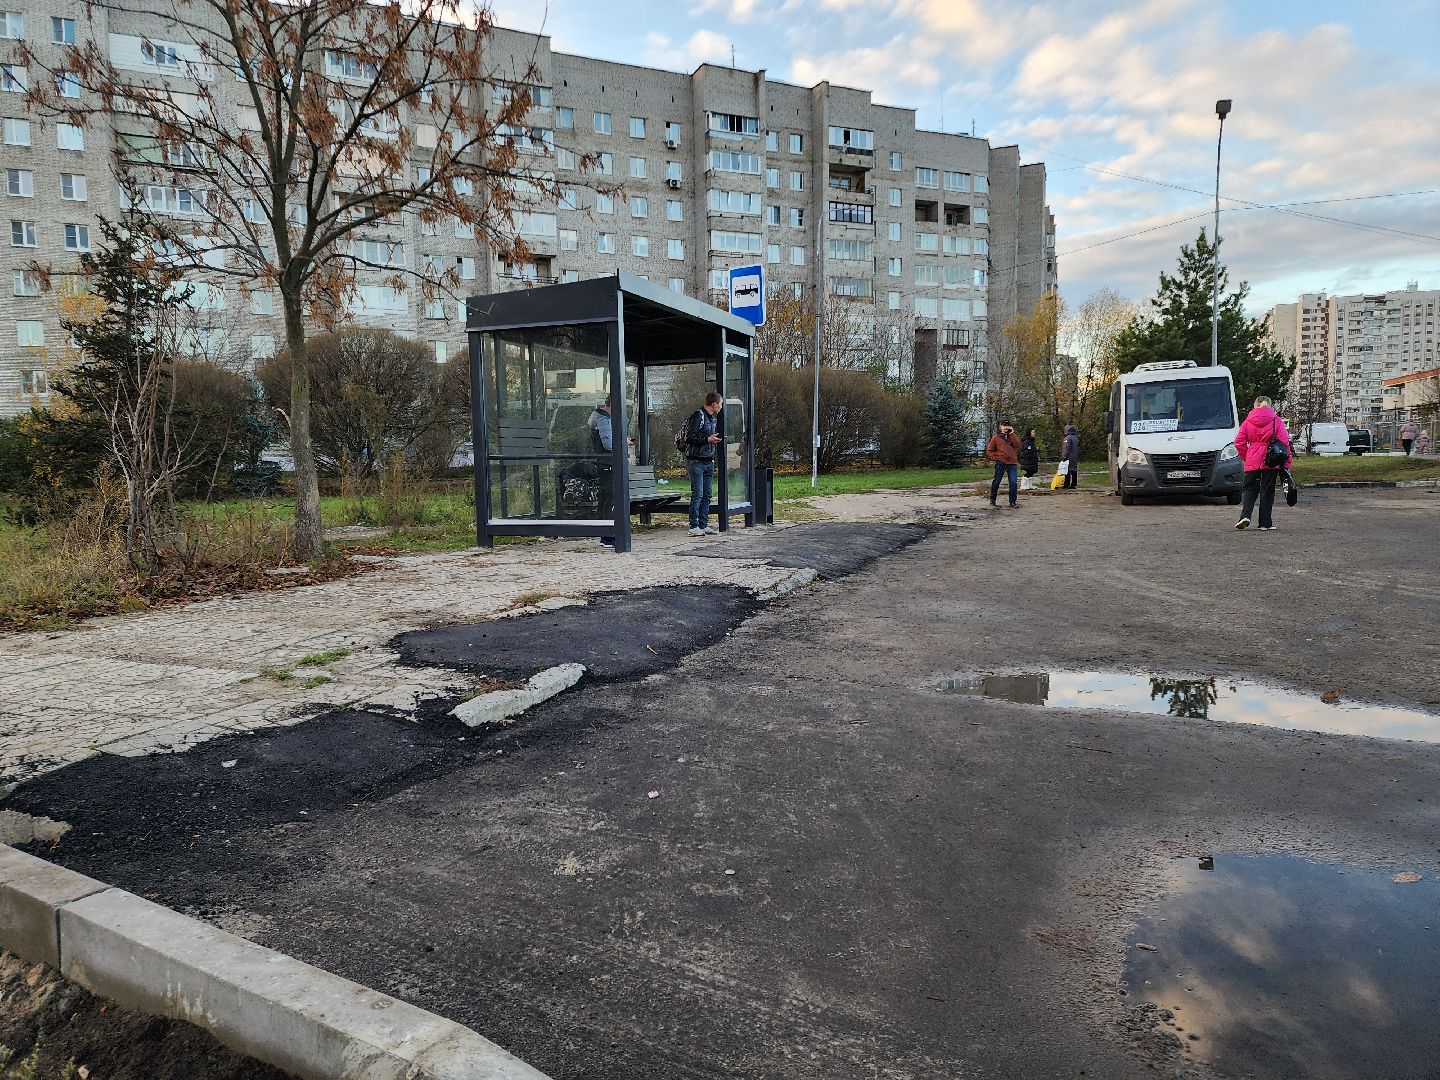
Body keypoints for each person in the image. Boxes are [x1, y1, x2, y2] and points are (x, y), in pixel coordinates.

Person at [1232, 395, 1292, 532]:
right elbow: (1284, 443)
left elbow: (1239, 442)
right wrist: (1287, 463)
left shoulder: (1248, 421)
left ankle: (1245, 516)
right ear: (1270, 406)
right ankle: (1265, 523)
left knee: (1249, 489)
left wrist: (1247, 456)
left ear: (1255, 405)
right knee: (1267, 491)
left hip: (1252, 459)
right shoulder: (1276, 421)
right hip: (1271, 460)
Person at [683, 391, 724, 537]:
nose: (721, 407)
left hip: (708, 460)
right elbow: (689, 437)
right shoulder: (698, 416)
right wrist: (708, 440)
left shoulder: (712, 418)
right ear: (714, 404)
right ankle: (693, 526)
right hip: (696, 461)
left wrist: (712, 440)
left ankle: (703, 524)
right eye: (720, 404)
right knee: (698, 494)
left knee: (707, 495)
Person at [587, 396, 617, 548]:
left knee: (605, 500)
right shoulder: (604, 420)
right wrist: (622, 442)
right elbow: (609, 444)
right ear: (611, 406)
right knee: (610, 500)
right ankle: (609, 537)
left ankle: (605, 535)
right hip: (608, 463)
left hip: (603, 463)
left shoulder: (599, 418)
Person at [985, 421, 1021, 509]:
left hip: (1012, 463)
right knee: (997, 481)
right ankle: (993, 500)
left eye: (1007, 426)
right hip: (1001, 462)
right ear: (1000, 427)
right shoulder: (996, 437)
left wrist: (1012, 434)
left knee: (1013, 483)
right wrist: (996, 458)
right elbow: (989, 451)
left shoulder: (1011, 436)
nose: (1006, 427)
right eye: (1004, 425)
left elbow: (1018, 445)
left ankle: (1012, 502)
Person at [1061, 424, 1080, 490]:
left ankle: (1066, 484)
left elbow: (1066, 448)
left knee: (1067, 470)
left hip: (1069, 457)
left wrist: (1064, 456)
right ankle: (1074, 484)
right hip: (1075, 456)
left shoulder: (1067, 438)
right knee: (1074, 470)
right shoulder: (1075, 438)